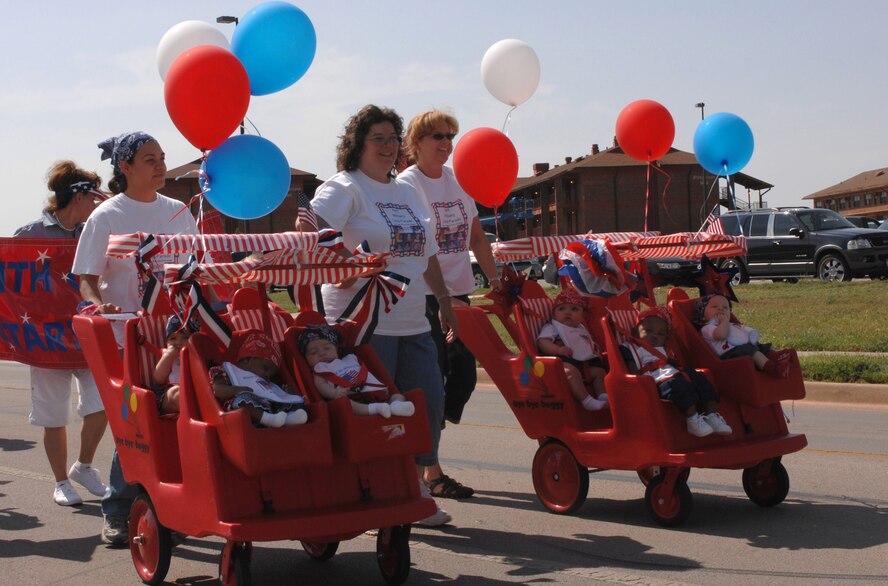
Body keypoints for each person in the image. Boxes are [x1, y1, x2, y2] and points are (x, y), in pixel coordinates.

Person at [306, 104, 457, 526]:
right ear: (358, 144)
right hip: (362, 321)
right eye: (379, 138)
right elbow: (312, 233)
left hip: (413, 318)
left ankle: (412, 489)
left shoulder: (408, 191)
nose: (389, 147)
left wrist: (444, 302)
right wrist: (350, 265)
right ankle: (373, 494)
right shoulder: (345, 188)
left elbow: (426, 254)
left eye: (393, 138)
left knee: (426, 404)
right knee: (375, 412)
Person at [72, 131, 205, 546]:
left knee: (178, 416)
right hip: (126, 337)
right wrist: (100, 307)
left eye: (162, 157)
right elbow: (86, 279)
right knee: (138, 422)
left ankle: (170, 507)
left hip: (176, 335)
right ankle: (117, 511)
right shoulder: (107, 216)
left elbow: (195, 268)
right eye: (150, 159)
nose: (161, 165)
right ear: (125, 168)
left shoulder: (178, 211)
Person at [13, 161, 109, 507]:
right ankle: (61, 482)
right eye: (93, 194)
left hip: (88, 334)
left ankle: (84, 466)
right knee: (54, 414)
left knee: (103, 405)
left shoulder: (96, 230)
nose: (99, 202)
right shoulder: (29, 234)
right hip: (46, 339)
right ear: (78, 196)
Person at [400, 110, 500, 428]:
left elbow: (477, 237)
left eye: (450, 137)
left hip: (459, 294)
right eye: (438, 136)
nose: (447, 143)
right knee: (434, 371)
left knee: (465, 375)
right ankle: (429, 460)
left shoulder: (457, 183)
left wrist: (496, 279)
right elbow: (412, 246)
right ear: (418, 142)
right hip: (425, 295)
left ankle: (432, 426)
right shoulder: (407, 185)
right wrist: (442, 297)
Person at [621, 307, 732, 437]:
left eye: (660, 334)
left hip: (675, 372)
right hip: (655, 379)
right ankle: (692, 419)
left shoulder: (665, 349)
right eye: (648, 331)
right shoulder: (631, 348)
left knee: (701, 379)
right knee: (678, 384)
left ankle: (712, 415)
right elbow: (632, 369)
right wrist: (638, 383)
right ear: (635, 332)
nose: (654, 336)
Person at [298, 324, 415, 418]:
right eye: (313, 352)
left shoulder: (351, 359)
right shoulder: (320, 370)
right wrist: (334, 393)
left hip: (377, 392)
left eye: (327, 348)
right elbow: (322, 386)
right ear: (306, 358)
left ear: (337, 350)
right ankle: (376, 409)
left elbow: (367, 373)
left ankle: (397, 405)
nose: (321, 353)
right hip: (353, 397)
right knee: (347, 405)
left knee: (397, 395)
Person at [211, 331, 308, 428]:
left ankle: (289, 419)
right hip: (240, 415)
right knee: (243, 399)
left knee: (295, 400)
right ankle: (267, 419)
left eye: (272, 375)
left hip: (270, 408)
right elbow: (218, 389)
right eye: (265, 368)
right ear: (246, 360)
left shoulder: (265, 380)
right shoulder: (227, 371)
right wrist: (238, 390)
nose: (268, 376)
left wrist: (286, 395)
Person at [536, 288, 609, 411]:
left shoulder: (581, 328)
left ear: (582, 316)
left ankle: (603, 396)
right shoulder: (553, 327)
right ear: (554, 314)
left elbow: (588, 342)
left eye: (574, 309)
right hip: (564, 362)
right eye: (561, 309)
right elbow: (542, 342)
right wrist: (558, 350)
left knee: (599, 372)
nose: (567, 312)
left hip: (585, 365)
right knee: (570, 372)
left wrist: (594, 351)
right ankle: (587, 401)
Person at [694, 294, 791, 378]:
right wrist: (724, 322)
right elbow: (721, 335)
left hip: (742, 349)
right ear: (702, 314)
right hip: (728, 355)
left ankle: (776, 358)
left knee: (764, 347)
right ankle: (772, 369)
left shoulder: (731, 324)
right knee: (749, 350)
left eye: (725, 307)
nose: (720, 309)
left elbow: (746, 332)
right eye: (715, 306)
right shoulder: (707, 328)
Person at [151, 315, 197, 414]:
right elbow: (158, 378)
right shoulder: (166, 355)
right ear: (166, 342)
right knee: (176, 393)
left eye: (185, 337)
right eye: (173, 338)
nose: (178, 342)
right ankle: (193, 417)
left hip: (195, 393)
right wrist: (168, 356)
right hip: (167, 395)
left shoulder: (196, 355)